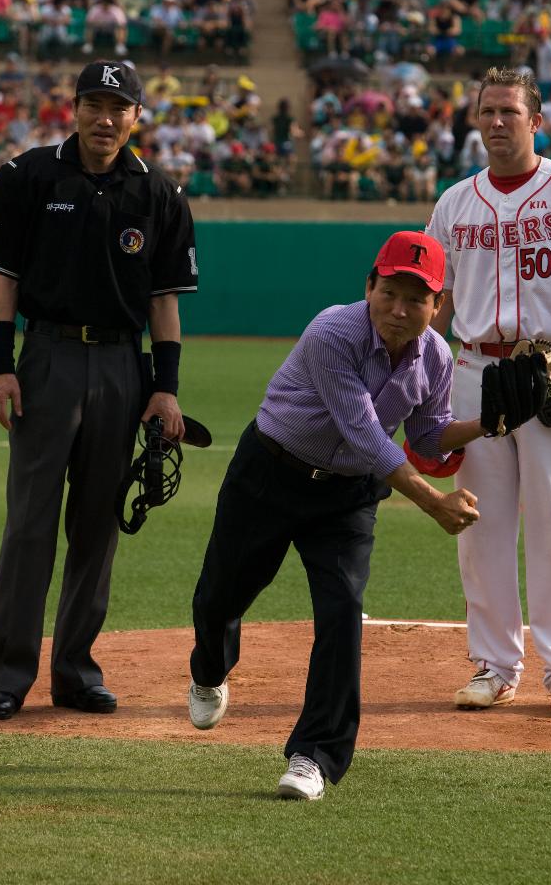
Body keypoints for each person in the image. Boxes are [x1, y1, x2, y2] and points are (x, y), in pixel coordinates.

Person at [188, 231, 488, 802]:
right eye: (390, 292)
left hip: (347, 498)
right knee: (221, 595)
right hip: (271, 472)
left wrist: (490, 421)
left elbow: (426, 435)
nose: (400, 310)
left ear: (438, 304)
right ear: (369, 286)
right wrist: (433, 504)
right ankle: (208, 668)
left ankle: (315, 755)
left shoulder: (437, 357)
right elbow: (366, 434)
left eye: (416, 299)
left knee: (343, 610)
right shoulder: (333, 332)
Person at [0, 60, 199, 722]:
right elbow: (3, 284)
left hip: (122, 367)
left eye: (117, 107)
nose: (105, 119)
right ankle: (7, 675)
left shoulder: (158, 192)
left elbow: (164, 304)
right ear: (72, 108)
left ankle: (75, 672)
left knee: (97, 526)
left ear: (136, 117)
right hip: (47, 356)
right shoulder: (25, 176)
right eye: (93, 105)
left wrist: (166, 390)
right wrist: (1, 367)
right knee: (29, 524)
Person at [426, 66, 551, 717]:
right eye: (485, 111)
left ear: (534, 121)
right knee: (478, 529)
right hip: (474, 372)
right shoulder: (454, 202)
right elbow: (437, 296)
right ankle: (493, 664)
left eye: (508, 111)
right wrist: (418, 371)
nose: (494, 122)